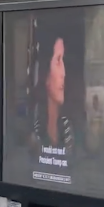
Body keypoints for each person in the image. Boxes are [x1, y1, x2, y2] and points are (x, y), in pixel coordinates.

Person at [29, 23, 74, 156]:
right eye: (58, 61)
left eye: (64, 62)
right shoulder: (35, 127)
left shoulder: (68, 127)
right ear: (46, 75)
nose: (63, 73)